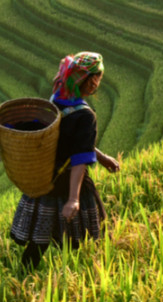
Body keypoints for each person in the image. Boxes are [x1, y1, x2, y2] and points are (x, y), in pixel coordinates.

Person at [10, 51, 120, 270]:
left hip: (45, 176)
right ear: (87, 80)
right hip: (69, 179)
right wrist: (73, 199)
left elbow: (74, 141)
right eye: (96, 77)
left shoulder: (55, 101)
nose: (97, 83)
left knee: (39, 238)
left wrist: (102, 157)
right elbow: (79, 157)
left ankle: (26, 272)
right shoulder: (86, 115)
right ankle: (84, 273)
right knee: (84, 233)